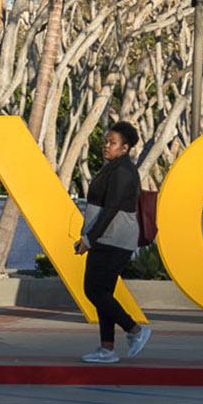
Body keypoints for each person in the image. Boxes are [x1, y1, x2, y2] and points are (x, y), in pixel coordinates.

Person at [76, 122, 150, 364]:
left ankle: (135, 330)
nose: (106, 146)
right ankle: (107, 349)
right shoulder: (114, 168)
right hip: (107, 238)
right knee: (102, 292)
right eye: (106, 141)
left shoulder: (123, 172)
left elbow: (110, 211)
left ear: (126, 147)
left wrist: (89, 238)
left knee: (94, 290)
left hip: (115, 239)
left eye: (112, 142)